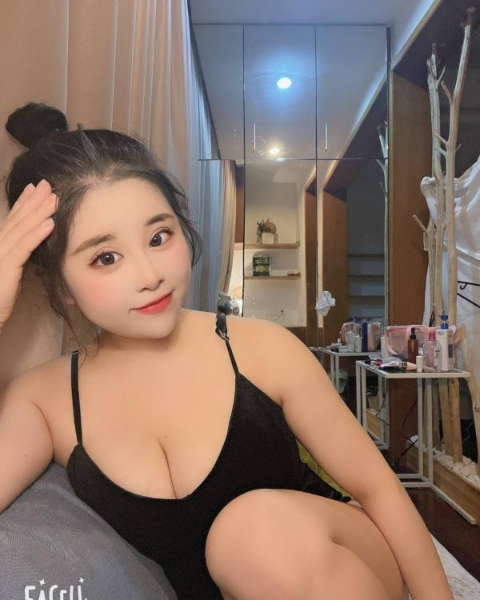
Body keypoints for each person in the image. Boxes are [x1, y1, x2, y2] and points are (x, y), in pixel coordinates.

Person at [0, 103, 453, 600]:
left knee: (252, 535)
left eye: (159, 236)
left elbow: (377, 488)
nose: (150, 275)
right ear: (60, 283)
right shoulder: (44, 400)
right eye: (106, 257)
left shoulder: (261, 347)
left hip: (342, 562)